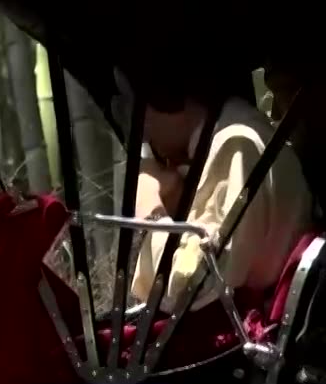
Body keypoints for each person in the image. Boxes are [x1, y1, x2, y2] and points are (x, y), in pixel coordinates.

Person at [125, 80, 313, 318]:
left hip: (244, 328)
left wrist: (151, 212)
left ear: (163, 98)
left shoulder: (236, 144)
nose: (145, 132)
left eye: (142, 114)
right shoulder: (234, 132)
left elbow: (192, 285)